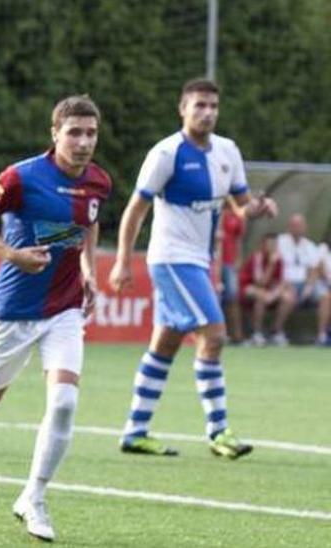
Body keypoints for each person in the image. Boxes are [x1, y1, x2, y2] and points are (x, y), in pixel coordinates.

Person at [0, 95, 110, 543]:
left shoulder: (99, 182)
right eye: (75, 133)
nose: (84, 142)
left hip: (64, 309)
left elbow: (90, 224)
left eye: (90, 133)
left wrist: (88, 269)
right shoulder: (22, 176)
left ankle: (34, 495)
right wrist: (12, 254)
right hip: (12, 311)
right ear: (55, 134)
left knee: (65, 402)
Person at [109, 78, 278, 460]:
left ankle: (135, 431)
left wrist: (258, 208)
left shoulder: (227, 151)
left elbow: (240, 205)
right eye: (199, 105)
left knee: (166, 343)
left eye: (213, 106)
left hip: (200, 261)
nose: (207, 113)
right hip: (171, 258)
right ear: (182, 108)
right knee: (215, 335)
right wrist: (122, 259)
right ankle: (219, 432)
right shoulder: (166, 154)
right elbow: (136, 209)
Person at [273, 213, 329, 345]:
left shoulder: (309, 246)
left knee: (326, 296)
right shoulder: (279, 242)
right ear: (288, 227)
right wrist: (285, 284)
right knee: (288, 298)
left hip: (305, 283)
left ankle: (321, 335)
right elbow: (274, 265)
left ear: (305, 227)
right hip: (285, 283)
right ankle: (276, 331)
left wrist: (309, 287)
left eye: (300, 225)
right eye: (294, 225)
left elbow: (314, 269)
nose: (297, 228)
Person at [239, 232, 284, 345]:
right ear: (263, 245)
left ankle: (276, 332)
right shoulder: (257, 258)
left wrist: (275, 294)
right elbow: (261, 283)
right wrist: (271, 265)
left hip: (267, 291)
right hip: (248, 288)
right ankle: (256, 333)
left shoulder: (279, 259)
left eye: (274, 245)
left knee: (288, 297)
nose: (272, 247)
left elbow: (281, 282)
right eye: (269, 244)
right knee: (261, 296)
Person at [217, 207, 246, 343]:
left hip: (229, 262)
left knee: (233, 297)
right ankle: (217, 334)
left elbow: (238, 239)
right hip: (213, 260)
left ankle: (237, 336)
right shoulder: (211, 208)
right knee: (215, 297)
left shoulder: (237, 214)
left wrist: (238, 259)